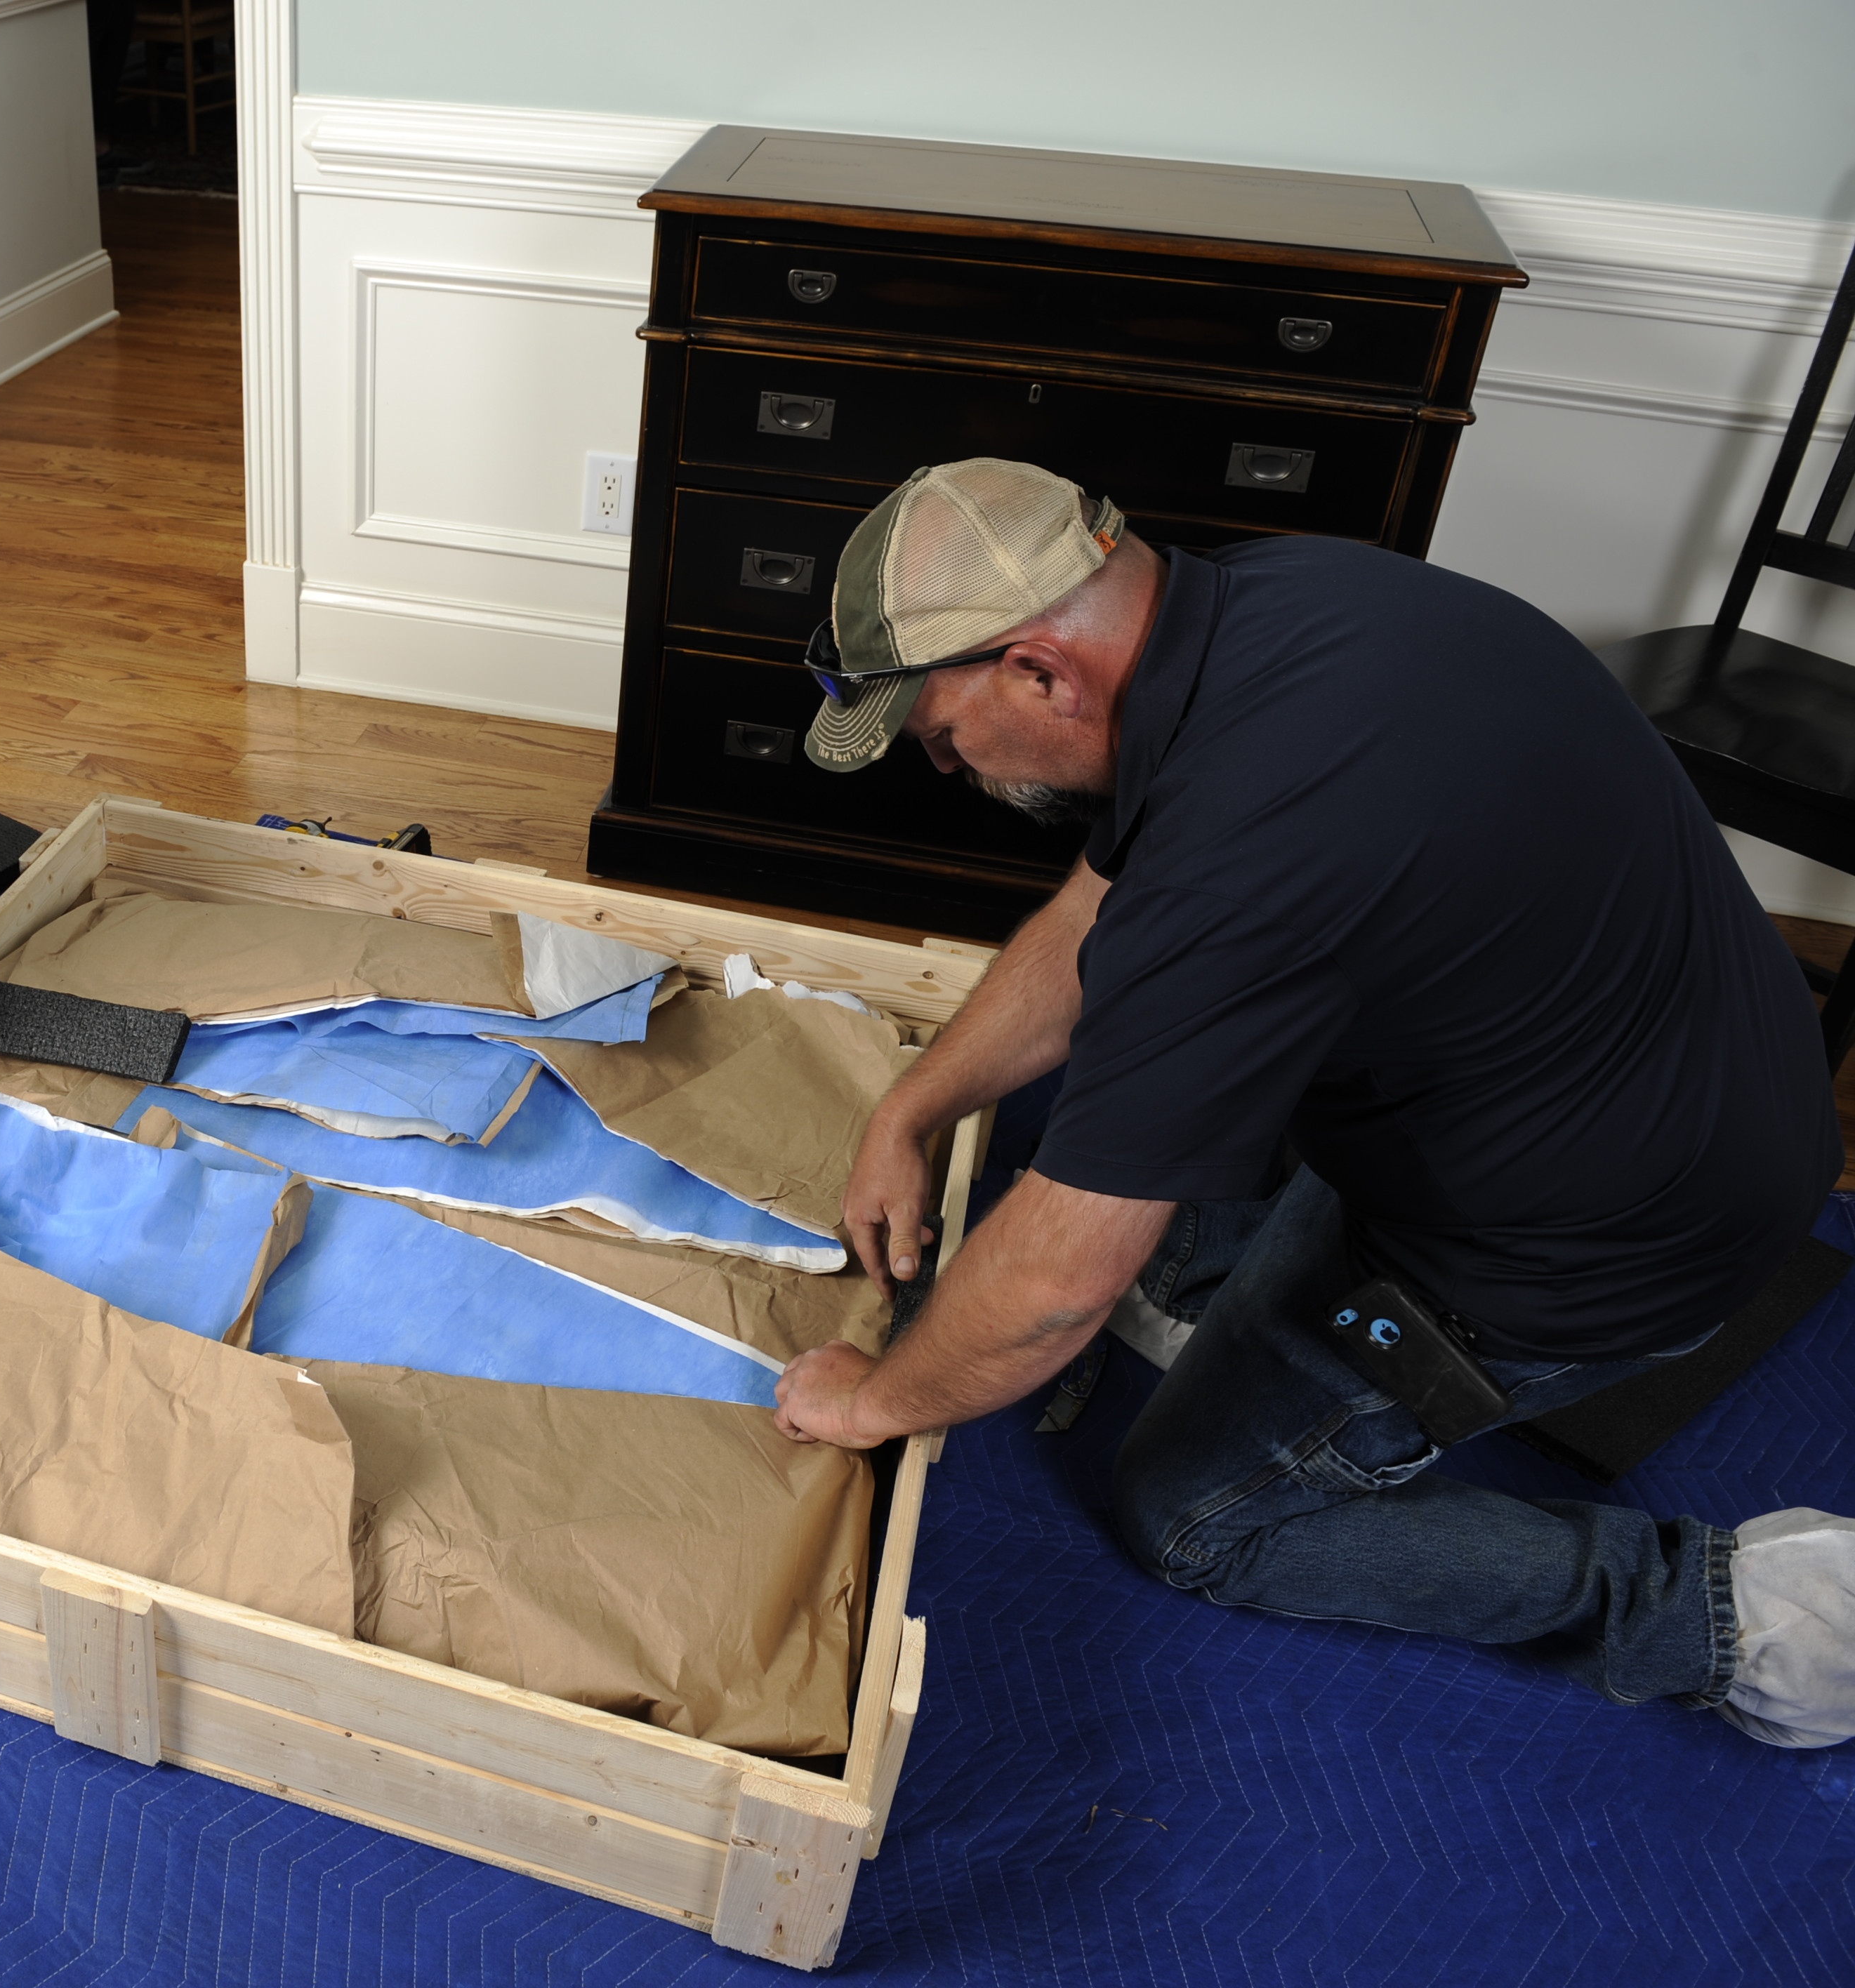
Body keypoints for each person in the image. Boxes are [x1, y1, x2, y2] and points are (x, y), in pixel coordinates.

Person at [770, 458, 1855, 1749]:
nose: (946, 768)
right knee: (1173, 1079)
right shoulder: (1272, 596)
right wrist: (913, 1107)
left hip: (1610, 1237)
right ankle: (1217, 1306)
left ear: (1040, 671)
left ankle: (1739, 1616)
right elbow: (1095, 913)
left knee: (1193, 1519)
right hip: (1676, 1070)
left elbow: (1057, 1282)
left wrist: (871, 1399)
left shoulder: (1243, 865)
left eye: (942, 739)